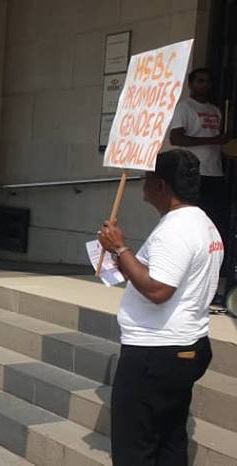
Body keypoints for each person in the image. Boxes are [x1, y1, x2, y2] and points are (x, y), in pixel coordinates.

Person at [97, 149, 224, 465]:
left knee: (135, 450)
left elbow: (158, 290)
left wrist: (121, 248)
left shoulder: (176, 230)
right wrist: (118, 257)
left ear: (161, 185)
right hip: (180, 347)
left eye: (147, 178)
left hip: (156, 352)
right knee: (169, 441)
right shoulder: (202, 222)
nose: (143, 185)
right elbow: (160, 277)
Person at [169, 68, 232, 237]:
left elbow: (218, 142)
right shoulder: (184, 107)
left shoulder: (216, 110)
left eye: (208, 81)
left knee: (215, 219)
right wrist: (213, 140)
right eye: (200, 81)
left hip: (215, 171)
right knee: (193, 217)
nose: (205, 85)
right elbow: (176, 138)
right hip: (194, 171)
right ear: (191, 85)